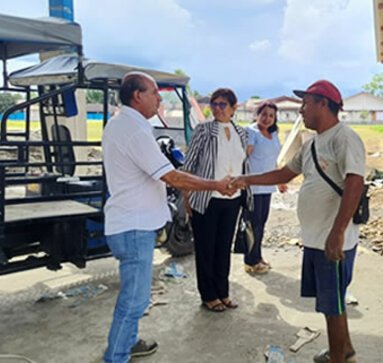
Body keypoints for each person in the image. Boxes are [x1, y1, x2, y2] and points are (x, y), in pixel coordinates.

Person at [101, 72, 235, 363]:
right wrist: (215, 184)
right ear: (137, 96)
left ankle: (129, 341)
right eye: (154, 93)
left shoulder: (123, 124)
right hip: (134, 225)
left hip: (132, 221)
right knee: (135, 300)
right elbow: (172, 176)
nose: (159, 99)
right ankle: (116, 356)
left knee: (134, 294)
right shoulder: (134, 131)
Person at [232, 80, 365, 363]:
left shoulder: (345, 138)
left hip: (333, 238)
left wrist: (337, 232)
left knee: (334, 302)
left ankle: (339, 358)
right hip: (317, 237)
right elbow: (283, 175)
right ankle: (345, 349)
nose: (301, 110)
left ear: (323, 104)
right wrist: (245, 180)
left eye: (306, 103)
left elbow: (355, 183)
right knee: (332, 303)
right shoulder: (313, 144)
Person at [182, 87, 251, 312]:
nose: (218, 109)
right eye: (214, 104)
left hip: (232, 199)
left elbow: (244, 164)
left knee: (223, 248)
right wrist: (186, 197)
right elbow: (189, 165)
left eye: (223, 105)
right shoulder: (203, 130)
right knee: (205, 249)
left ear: (234, 108)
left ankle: (223, 292)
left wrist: (243, 188)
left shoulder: (241, 133)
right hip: (207, 198)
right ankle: (208, 295)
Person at [243, 102, 286, 274]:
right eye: (264, 114)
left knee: (261, 223)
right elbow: (244, 157)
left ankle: (257, 256)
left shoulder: (273, 133)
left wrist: (280, 179)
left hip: (267, 186)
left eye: (271, 115)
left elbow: (272, 159)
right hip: (253, 186)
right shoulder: (251, 132)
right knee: (253, 225)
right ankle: (251, 261)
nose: (267, 118)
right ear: (257, 114)